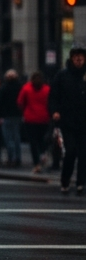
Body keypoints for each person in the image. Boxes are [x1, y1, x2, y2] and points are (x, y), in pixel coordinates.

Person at [49, 48, 86, 195]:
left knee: (84, 155)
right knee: (70, 152)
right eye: (76, 57)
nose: (79, 60)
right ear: (71, 59)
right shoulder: (62, 76)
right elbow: (53, 97)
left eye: (81, 57)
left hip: (84, 122)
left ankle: (80, 182)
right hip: (68, 121)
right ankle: (65, 180)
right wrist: (55, 112)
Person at [17, 71, 51, 174]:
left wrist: (25, 111)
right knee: (42, 139)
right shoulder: (47, 89)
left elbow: (20, 102)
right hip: (44, 118)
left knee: (33, 142)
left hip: (30, 118)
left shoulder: (26, 88)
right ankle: (43, 153)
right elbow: (51, 102)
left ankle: (36, 164)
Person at [0, 69, 23, 167]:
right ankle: (18, 157)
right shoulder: (20, 87)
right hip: (17, 115)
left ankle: (11, 157)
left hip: (6, 115)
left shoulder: (3, 88)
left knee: (8, 138)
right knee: (17, 137)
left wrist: (0, 116)